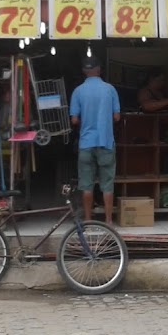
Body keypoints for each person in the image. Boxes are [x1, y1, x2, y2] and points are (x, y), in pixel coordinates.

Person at [69, 56, 120, 225]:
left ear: (84, 71)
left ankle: (88, 220)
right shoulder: (110, 89)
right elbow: (117, 116)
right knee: (107, 183)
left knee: (86, 184)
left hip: (86, 143)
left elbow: (74, 120)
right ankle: (108, 221)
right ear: (99, 70)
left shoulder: (78, 91)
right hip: (106, 141)